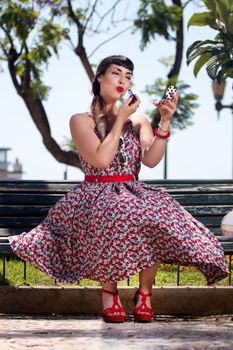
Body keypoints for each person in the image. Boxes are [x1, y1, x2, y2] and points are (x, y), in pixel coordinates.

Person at [9, 55, 229, 323]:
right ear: (99, 77)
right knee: (114, 210)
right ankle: (108, 292)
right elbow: (101, 160)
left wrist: (165, 122)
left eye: (128, 76)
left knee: (154, 214)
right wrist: (119, 118)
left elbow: (150, 159)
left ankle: (145, 294)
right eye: (116, 73)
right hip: (95, 192)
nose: (123, 80)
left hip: (131, 190)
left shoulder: (138, 122)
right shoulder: (81, 120)